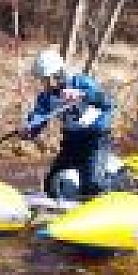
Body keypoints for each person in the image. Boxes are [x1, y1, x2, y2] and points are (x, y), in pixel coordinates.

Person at [19, 49, 116, 199]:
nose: (45, 84)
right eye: (42, 80)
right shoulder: (46, 97)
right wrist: (28, 131)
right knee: (51, 185)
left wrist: (83, 94)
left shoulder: (81, 82)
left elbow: (108, 102)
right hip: (71, 143)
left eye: (46, 79)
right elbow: (38, 119)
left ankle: (114, 191)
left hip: (96, 141)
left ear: (58, 74)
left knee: (92, 186)